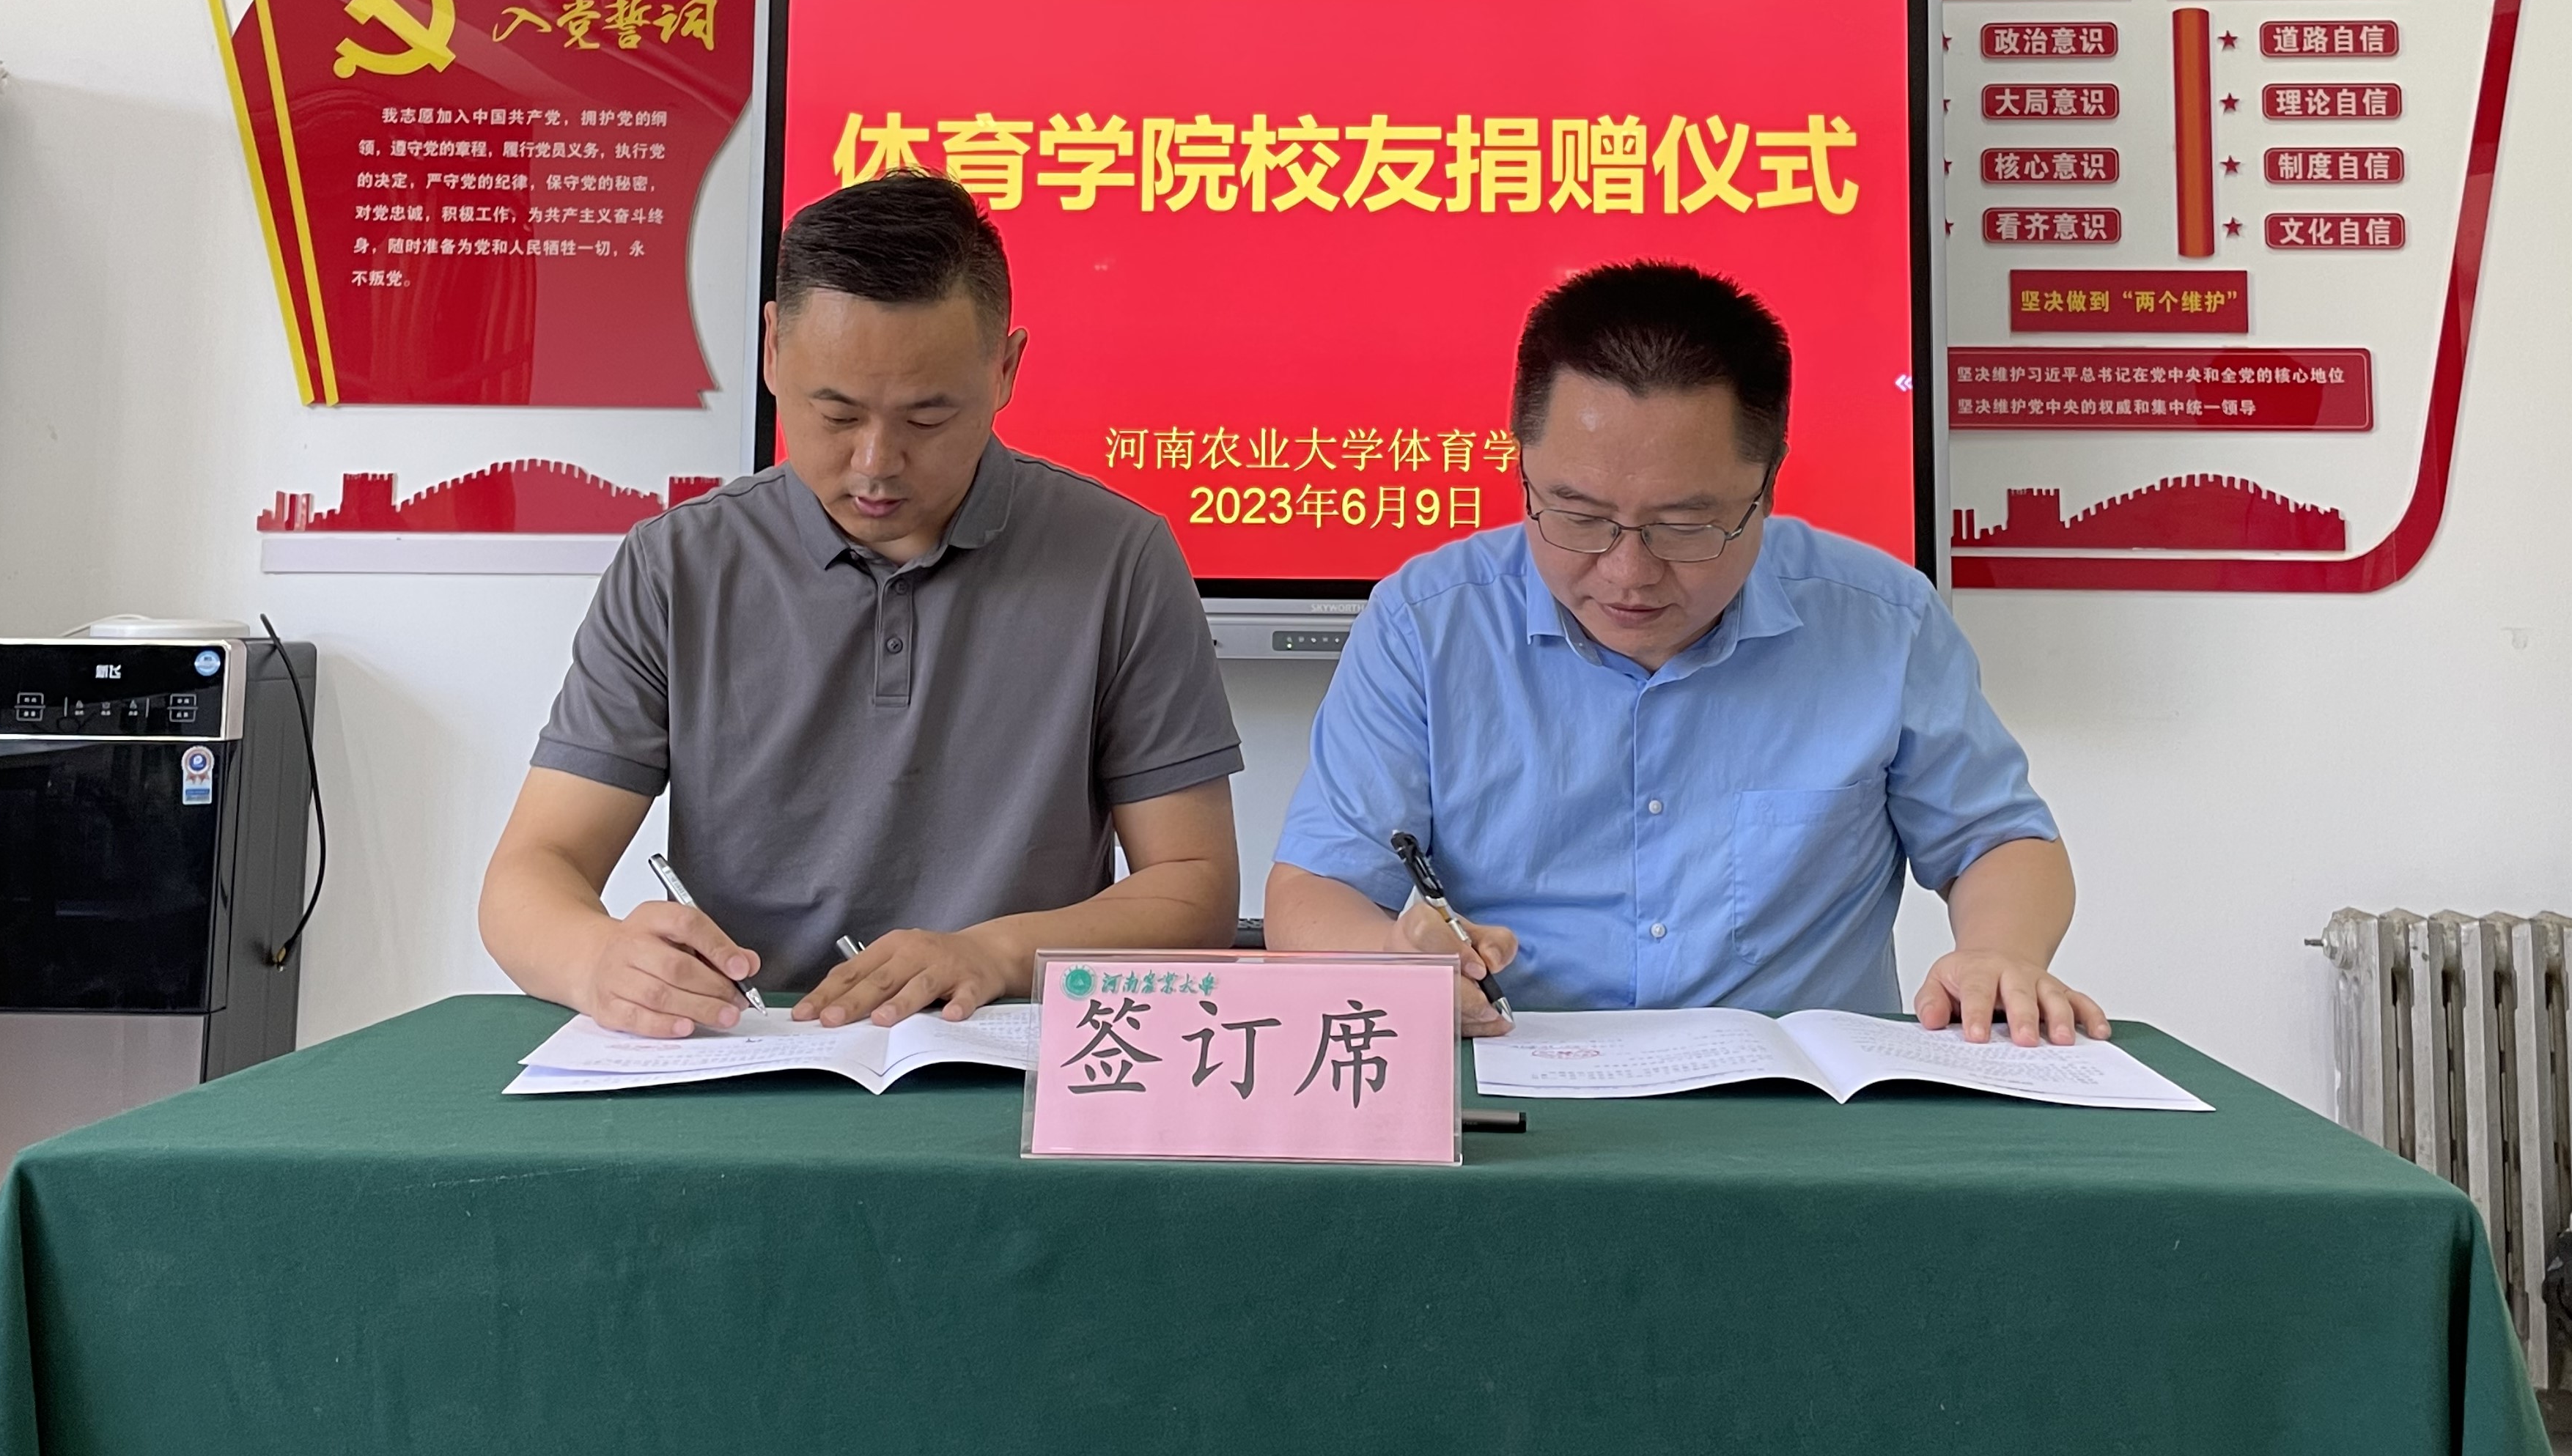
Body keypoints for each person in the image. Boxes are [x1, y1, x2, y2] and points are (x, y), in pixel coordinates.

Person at [1266, 262, 2104, 1049]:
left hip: (1800, 1102)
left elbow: (1996, 838)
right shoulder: (1425, 625)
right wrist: (1392, 958)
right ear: (1522, 461)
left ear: (1766, 484)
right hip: (1517, 1086)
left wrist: (1999, 952)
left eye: (1685, 526)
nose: (1627, 571)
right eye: (1577, 515)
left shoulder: (1882, 621)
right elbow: (1314, 888)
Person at [479, 174, 1243, 1038]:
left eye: (928, 418)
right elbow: (531, 872)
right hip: (752, 1044)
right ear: (773, 350)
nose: (876, 462)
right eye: (836, 413)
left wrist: (995, 952)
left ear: (1004, 369)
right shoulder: (677, 565)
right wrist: (598, 960)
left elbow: (1194, 885)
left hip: (1009, 1048)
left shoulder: (1117, 557)